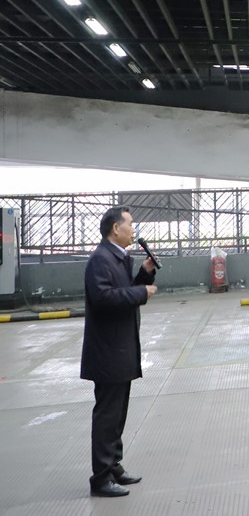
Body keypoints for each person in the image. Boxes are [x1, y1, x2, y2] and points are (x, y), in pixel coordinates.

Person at [82, 205, 157, 497]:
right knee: (107, 416)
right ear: (116, 228)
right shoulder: (100, 260)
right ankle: (100, 478)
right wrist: (141, 292)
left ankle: (113, 466)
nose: (133, 229)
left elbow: (123, 294)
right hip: (108, 352)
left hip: (120, 349)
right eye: (130, 224)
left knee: (118, 415)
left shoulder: (117, 258)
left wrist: (144, 275)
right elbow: (104, 299)